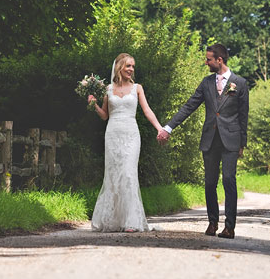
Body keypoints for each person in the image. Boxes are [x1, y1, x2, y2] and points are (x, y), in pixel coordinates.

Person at [157, 44, 248, 239]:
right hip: (210, 140)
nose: (206, 62)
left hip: (231, 140)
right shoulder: (206, 83)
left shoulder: (239, 83)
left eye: (208, 59)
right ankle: (213, 222)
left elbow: (243, 116)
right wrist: (168, 127)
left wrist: (242, 144)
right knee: (209, 183)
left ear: (219, 60)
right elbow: (189, 106)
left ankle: (230, 226)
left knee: (229, 180)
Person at [88, 53, 166, 232]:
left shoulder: (137, 88)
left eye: (133, 66)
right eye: (128, 66)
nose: (131, 69)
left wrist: (160, 128)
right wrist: (94, 105)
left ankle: (131, 221)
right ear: (119, 67)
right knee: (113, 175)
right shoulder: (108, 89)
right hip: (113, 135)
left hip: (131, 135)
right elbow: (105, 115)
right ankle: (112, 220)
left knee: (129, 174)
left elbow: (147, 111)